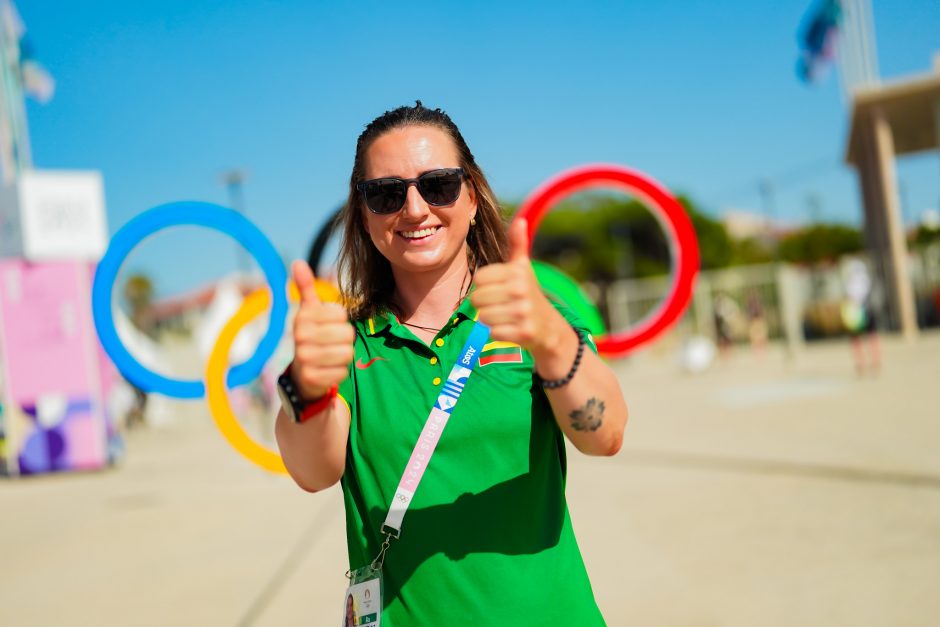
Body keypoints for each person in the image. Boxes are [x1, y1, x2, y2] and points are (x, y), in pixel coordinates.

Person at [275, 102, 628, 624]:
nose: (414, 209)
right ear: (363, 213)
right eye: (386, 193)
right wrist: (305, 380)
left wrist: (551, 339)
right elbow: (311, 471)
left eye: (438, 184)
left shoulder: (531, 316)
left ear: (472, 198)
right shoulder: (349, 344)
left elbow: (606, 435)